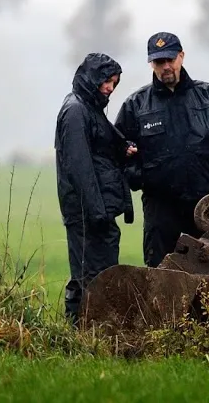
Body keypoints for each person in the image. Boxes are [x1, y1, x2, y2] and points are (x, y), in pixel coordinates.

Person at [115, 32, 209, 268]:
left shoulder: (208, 96)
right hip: (161, 210)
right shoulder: (136, 105)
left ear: (181, 57)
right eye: (159, 62)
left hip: (206, 207)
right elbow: (118, 151)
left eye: (170, 60)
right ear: (151, 64)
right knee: (161, 276)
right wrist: (140, 177)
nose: (166, 67)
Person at [55, 52, 137, 325]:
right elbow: (80, 168)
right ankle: (81, 331)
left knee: (100, 274)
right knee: (87, 276)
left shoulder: (90, 107)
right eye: (106, 81)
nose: (110, 88)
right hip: (87, 213)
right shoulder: (76, 110)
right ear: (92, 78)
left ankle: (97, 331)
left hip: (97, 210)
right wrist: (97, 212)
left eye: (114, 83)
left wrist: (123, 148)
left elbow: (103, 141)